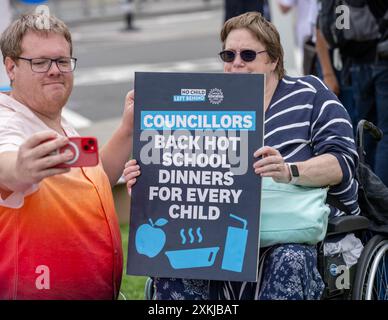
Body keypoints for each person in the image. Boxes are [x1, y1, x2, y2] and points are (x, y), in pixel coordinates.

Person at [124, 11, 359, 300]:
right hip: (218, 233)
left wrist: (289, 170)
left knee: (289, 258)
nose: (236, 63)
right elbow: (182, 177)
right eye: (228, 55)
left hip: (285, 234)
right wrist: (148, 180)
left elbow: (342, 162)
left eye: (248, 55)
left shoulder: (310, 94)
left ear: (273, 59)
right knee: (174, 265)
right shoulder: (207, 104)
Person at [0, 14, 134, 299]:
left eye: (62, 61)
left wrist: (127, 130)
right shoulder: (7, 124)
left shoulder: (52, 119)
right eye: (39, 62)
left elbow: (95, 183)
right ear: (11, 67)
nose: (54, 70)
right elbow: (7, 163)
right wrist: (21, 168)